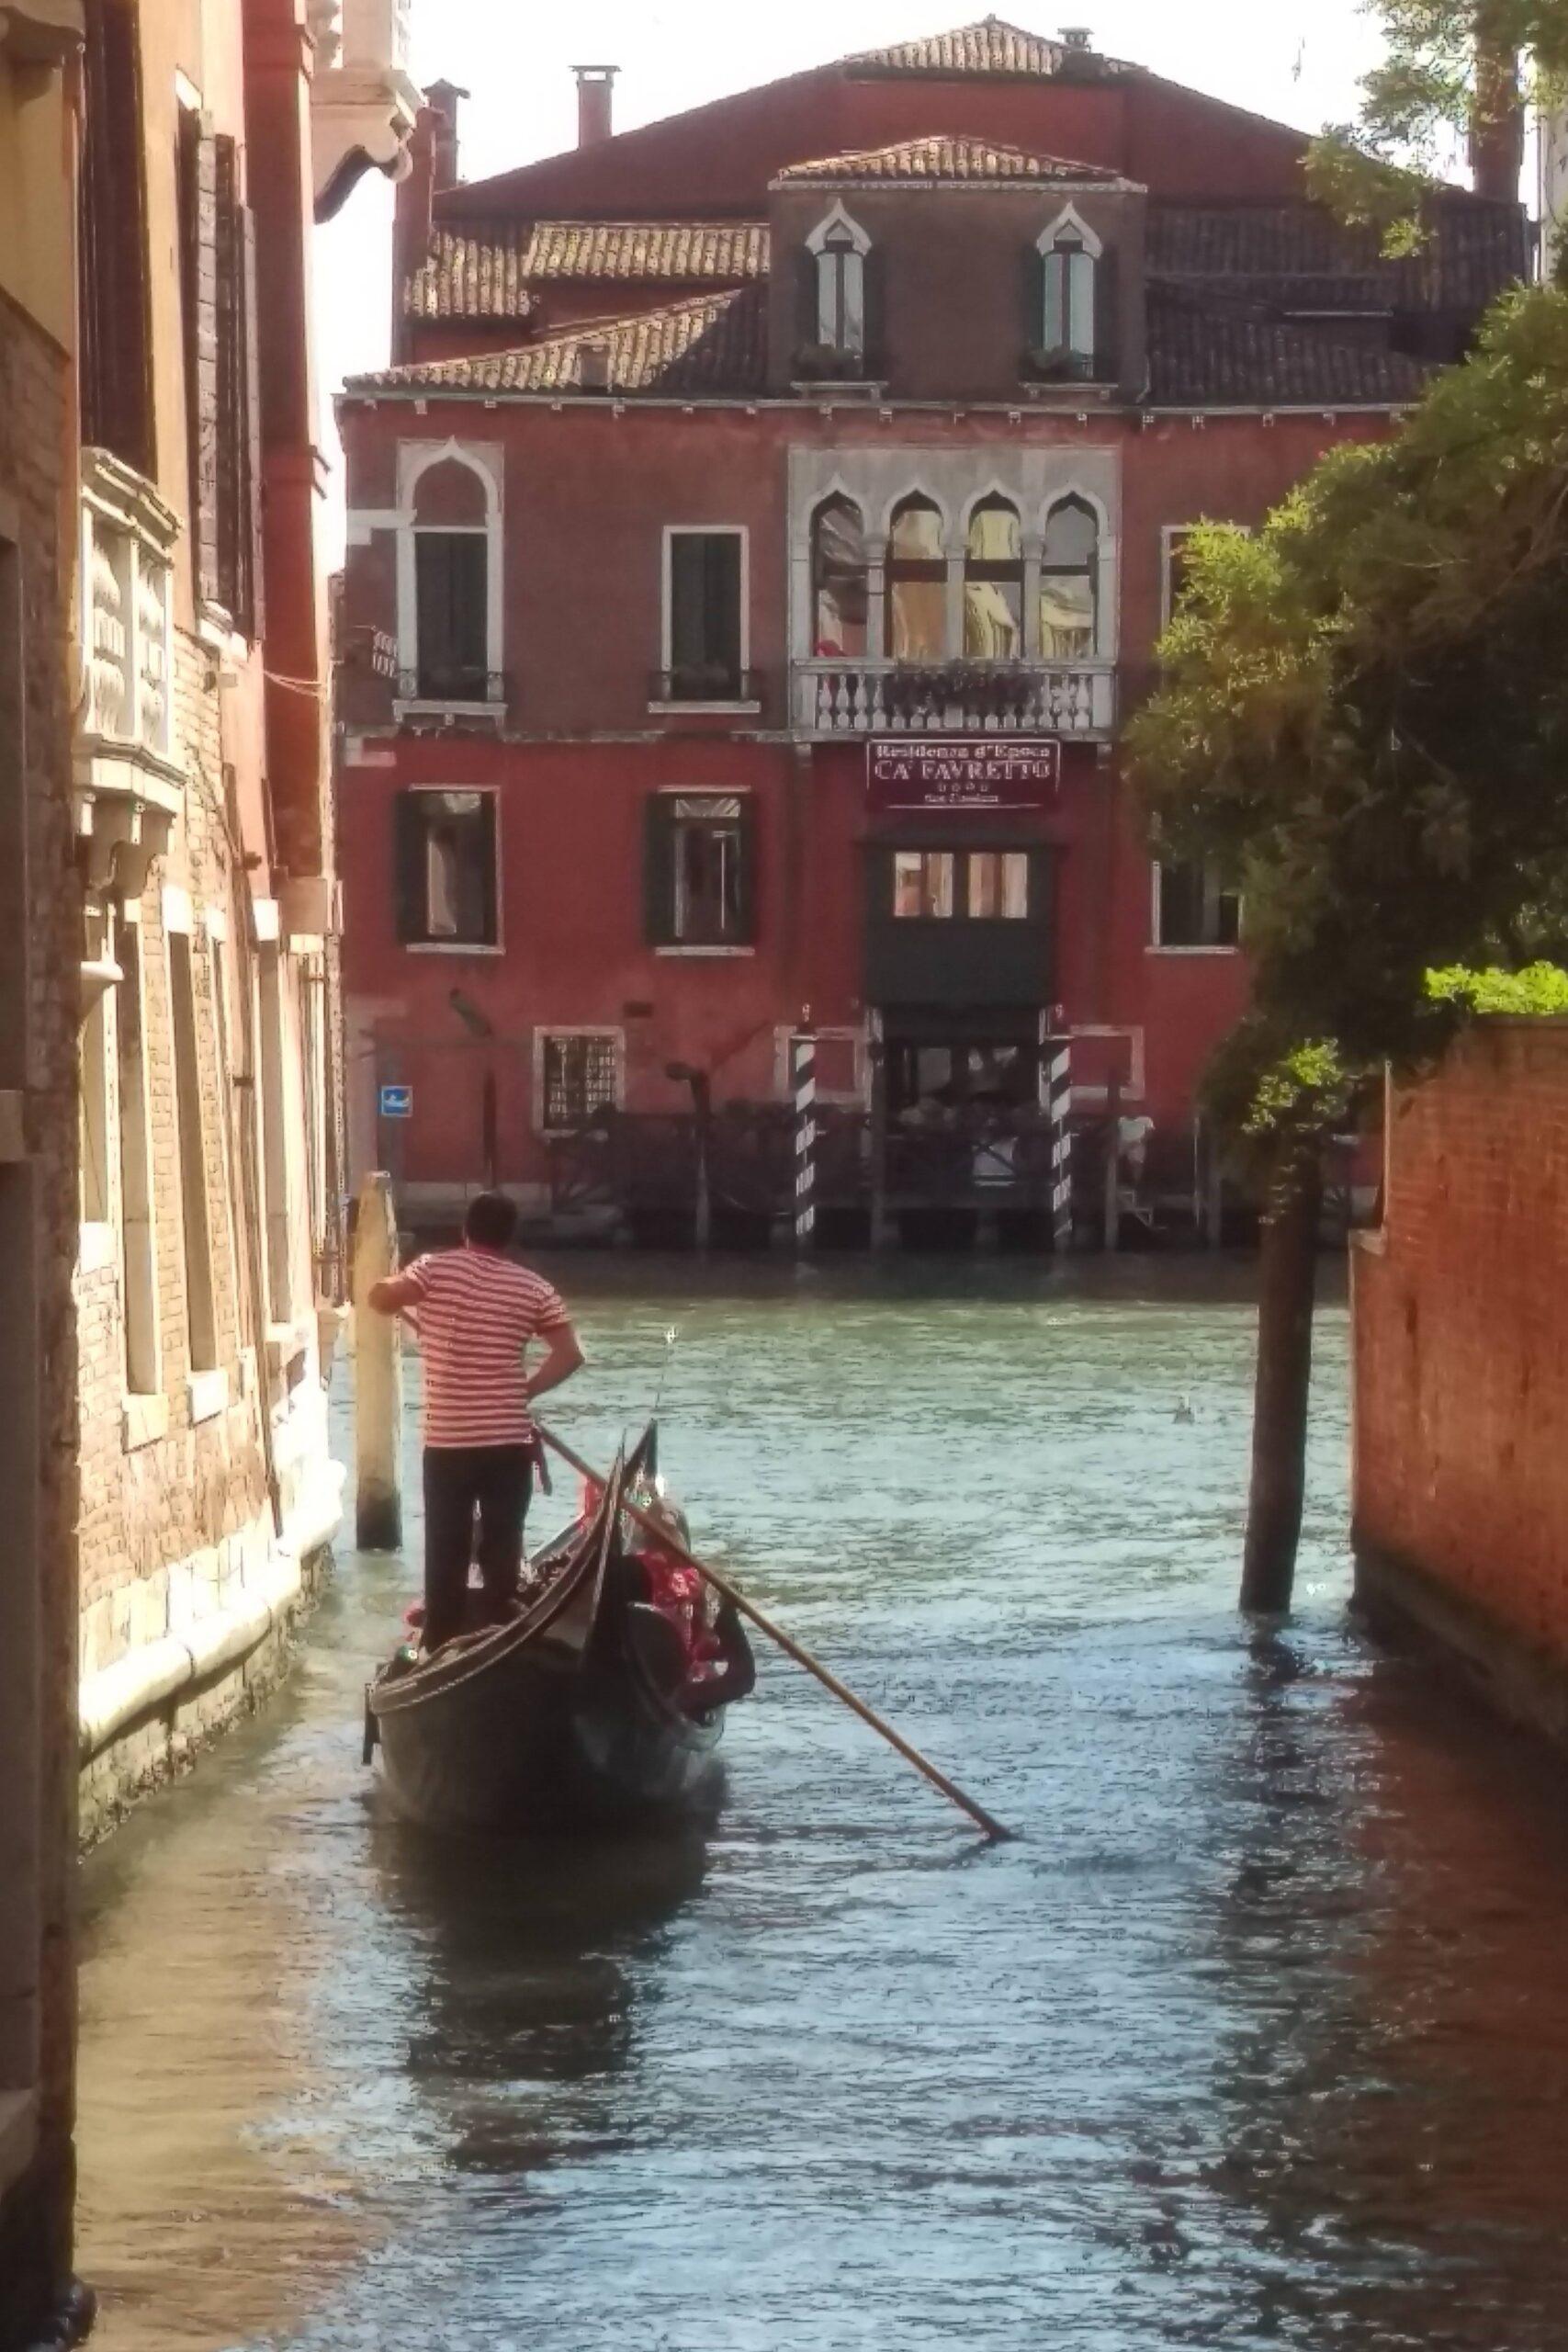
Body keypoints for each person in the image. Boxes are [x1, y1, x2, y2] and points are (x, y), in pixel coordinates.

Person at [367, 1191, 584, 1652]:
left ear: (465, 1230)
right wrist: (521, 1391)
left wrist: (381, 1288)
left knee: (446, 1549)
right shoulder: (533, 1287)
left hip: (449, 1444)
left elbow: (387, 1299)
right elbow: (570, 1356)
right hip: (508, 1440)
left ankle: (442, 1643)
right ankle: (502, 1635)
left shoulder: (434, 1269)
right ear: (509, 1238)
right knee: (503, 1548)